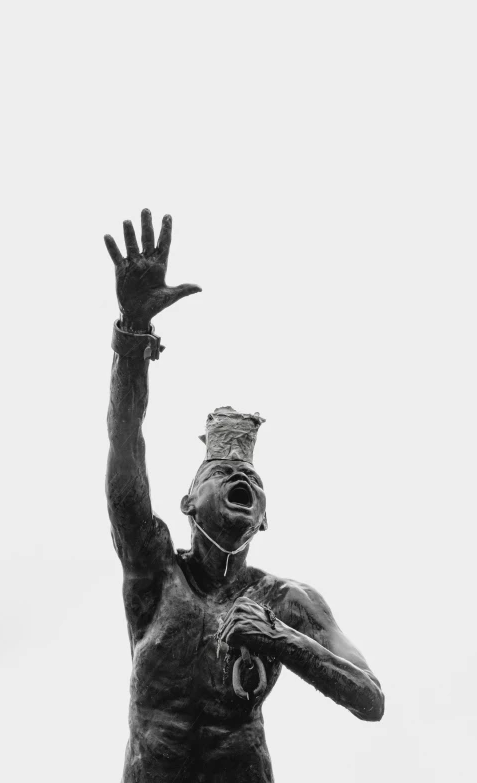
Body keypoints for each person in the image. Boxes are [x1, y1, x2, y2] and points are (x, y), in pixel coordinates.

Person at [104, 209, 384, 783]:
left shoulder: (284, 600)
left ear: (264, 517)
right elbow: (125, 447)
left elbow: (370, 697)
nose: (245, 483)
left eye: (253, 480)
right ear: (188, 502)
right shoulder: (154, 572)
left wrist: (279, 638)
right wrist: (132, 334)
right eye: (224, 474)